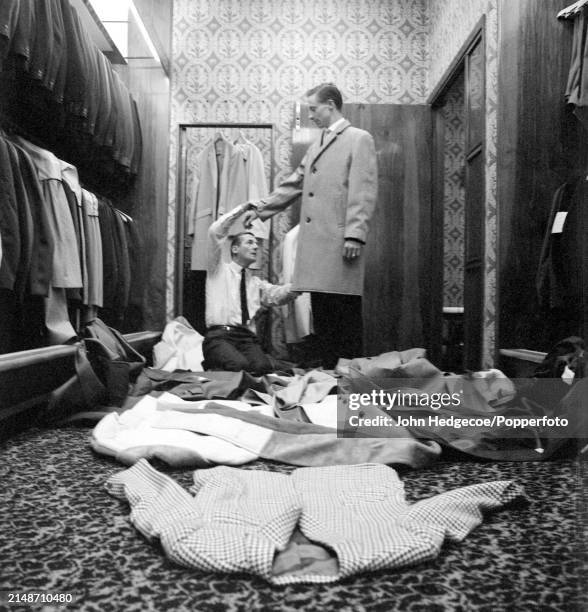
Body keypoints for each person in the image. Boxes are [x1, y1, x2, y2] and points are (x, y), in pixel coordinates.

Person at [244, 83, 378, 369]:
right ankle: (331, 385)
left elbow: (363, 190)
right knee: (325, 320)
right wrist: (260, 209)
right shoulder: (317, 143)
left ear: (330, 105)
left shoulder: (358, 139)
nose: (312, 115)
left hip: (342, 247)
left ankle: (351, 387)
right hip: (318, 250)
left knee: (346, 321)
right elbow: (295, 182)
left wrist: (355, 234)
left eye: (314, 109)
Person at [203, 202, 298, 374]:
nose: (255, 246)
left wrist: (302, 284)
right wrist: (242, 209)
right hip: (219, 337)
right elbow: (214, 232)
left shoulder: (255, 283)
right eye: (249, 242)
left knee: (262, 368)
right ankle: (214, 367)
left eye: (256, 243)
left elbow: (278, 295)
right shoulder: (217, 270)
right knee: (239, 366)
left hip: (245, 338)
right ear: (235, 248)